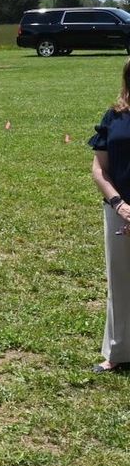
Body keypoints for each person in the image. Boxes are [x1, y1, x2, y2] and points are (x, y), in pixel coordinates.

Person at [88, 56, 130, 373]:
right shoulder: (113, 116)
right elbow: (98, 168)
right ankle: (117, 352)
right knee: (119, 281)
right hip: (119, 210)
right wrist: (119, 204)